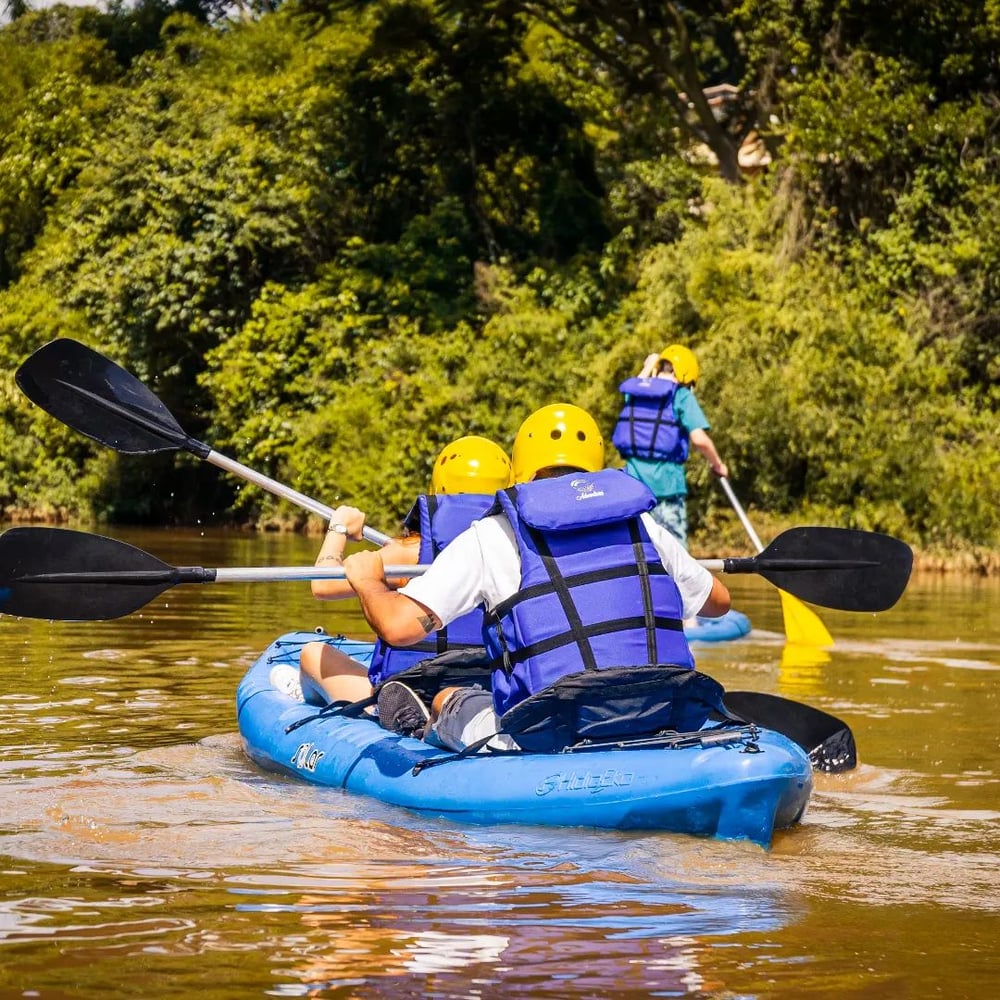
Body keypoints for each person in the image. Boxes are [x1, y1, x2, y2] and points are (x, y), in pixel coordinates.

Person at [343, 403, 731, 753]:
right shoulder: (643, 525)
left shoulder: (494, 534)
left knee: (450, 696)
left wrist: (368, 581)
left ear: (520, 467)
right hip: (661, 710)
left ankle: (432, 727)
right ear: (596, 466)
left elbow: (397, 627)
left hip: (551, 730)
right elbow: (718, 604)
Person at [294, 435, 513, 707]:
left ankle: (307, 706)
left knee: (312, 653)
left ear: (439, 488)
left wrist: (339, 526)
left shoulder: (409, 553)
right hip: (491, 688)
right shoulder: (516, 551)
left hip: (410, 694)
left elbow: (322, 585)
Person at [611, 344, 729, 548]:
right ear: (686, 376)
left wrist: (648, 366)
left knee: (643, 557)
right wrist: (718, 465)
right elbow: (699, 439)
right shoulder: (680, 395)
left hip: (634, 494)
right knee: (678, 561)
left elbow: (636, 385)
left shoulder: (637, 394)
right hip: (667, 492)